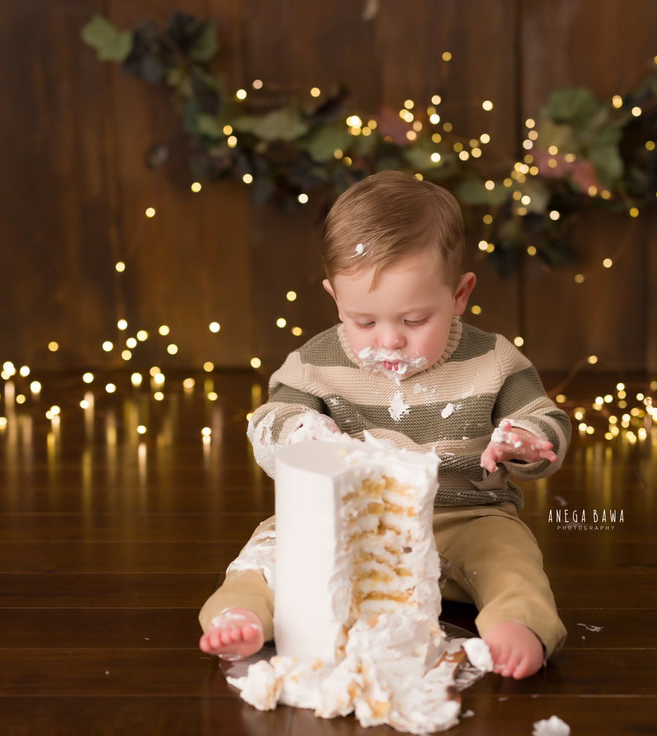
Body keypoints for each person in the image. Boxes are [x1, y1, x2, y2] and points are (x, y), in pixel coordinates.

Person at [199, 169, 571, 679]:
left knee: (511, 562)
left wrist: (527, 441)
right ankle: (244, 613)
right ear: (334, 297)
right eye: (365, 322)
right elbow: (272, 419)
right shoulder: (315, 364)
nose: (389, 340)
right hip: (347, 519)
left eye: (414, 321)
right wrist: (299, 431)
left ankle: (518, 625)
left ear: (459, 295)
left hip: (464, 518)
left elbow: (543, 419)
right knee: (271, 550)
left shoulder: (494, 362)